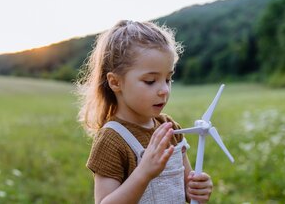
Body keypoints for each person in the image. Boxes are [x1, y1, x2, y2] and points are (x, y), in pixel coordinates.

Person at [76, 20, 213, 203]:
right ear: (116, 82)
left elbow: (185, 191)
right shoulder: (112, 140)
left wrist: (198, 189)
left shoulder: (169, 128)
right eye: (150, 81)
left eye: (168, 79)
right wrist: (144, 172)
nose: (164, 89)